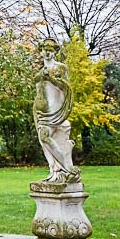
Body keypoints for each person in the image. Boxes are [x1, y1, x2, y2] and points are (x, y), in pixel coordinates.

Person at [33, 38, 80, 184]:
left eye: (50, 50)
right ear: (40, 51)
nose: (47, 52)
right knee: (43, 140)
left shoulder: (60, 68)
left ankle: (67, 169)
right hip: (41, 113)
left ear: (55, 52)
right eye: (44, 49)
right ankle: (55, 171)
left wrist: (51, 78)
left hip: (55, 114)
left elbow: (66, 88)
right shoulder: (39, 72)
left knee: (44, 137)